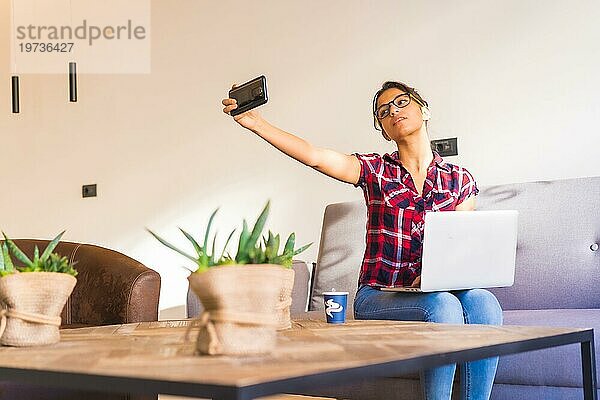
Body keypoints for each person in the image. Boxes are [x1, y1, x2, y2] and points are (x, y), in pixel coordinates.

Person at [222, 80, 503, 400]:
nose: (393, 111)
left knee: (484, 302)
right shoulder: (376, 170)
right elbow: (315, 155)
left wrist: (438, 275)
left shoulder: (460, 180)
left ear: (423, 109)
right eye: (383, 112)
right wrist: (257, 123)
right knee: (443, 307)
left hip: (434, 290)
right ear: (384, 130)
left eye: (400, 102)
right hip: (379, 295)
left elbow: (463, 253)